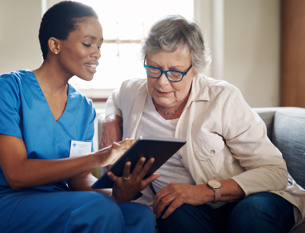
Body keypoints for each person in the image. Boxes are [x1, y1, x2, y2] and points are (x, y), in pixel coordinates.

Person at [0, 2, 160, 233]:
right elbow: (16, 174)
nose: (97, 53)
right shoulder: (5, 90)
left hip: (56, 203)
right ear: (54, 45)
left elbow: (79, 179)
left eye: (100, 46)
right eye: (88, 43)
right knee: (99, 208)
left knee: (140, 215)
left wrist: (116, 194)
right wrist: (100, 157)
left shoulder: (83, 107)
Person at [99, 15, 305, 233]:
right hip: (197, 211)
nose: (162, 82)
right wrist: (111, 121)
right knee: (169, 210)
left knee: (248, 215)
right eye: (154, 68)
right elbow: (116, 97)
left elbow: (275, 172)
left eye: (175, 72)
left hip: (254, 199)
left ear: (194, 69)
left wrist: (202, 191)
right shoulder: (133, 91)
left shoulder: (222, 98)